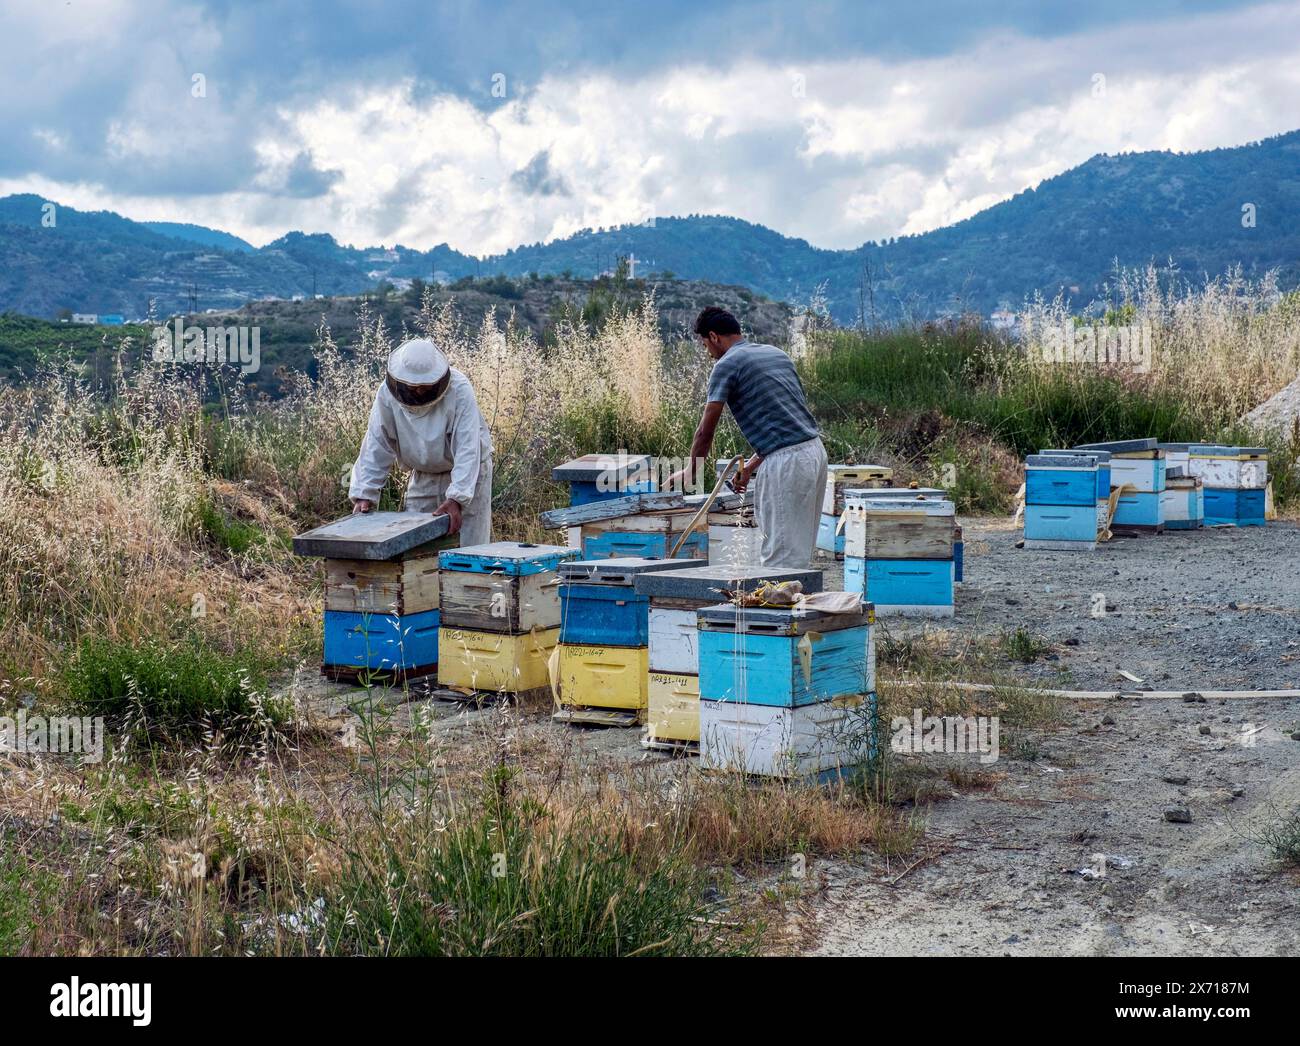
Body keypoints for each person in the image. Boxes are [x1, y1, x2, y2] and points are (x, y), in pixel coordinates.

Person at [671, 307, 827, 569]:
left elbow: (705, 431)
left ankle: (780, 609)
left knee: (780, 558)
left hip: (785, 464)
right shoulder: (776, 354)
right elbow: (788, 422)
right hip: (814, 453)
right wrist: (752, 466)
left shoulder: (726, 364)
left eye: (704, 344)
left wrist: (691, 471)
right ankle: (798, 605)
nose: (707, 352)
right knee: (799, 552)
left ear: (714, 336)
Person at [348, 338, 494, 544]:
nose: (419, 391)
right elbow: (376, 443)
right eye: (413, 387)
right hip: (423, 475)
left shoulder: (459, 390)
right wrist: (364, 493)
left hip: (470, 476)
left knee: (469, 549)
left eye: (425, 387)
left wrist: (457, 499)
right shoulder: (387, 395)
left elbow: (468, 448)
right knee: (417, 547)